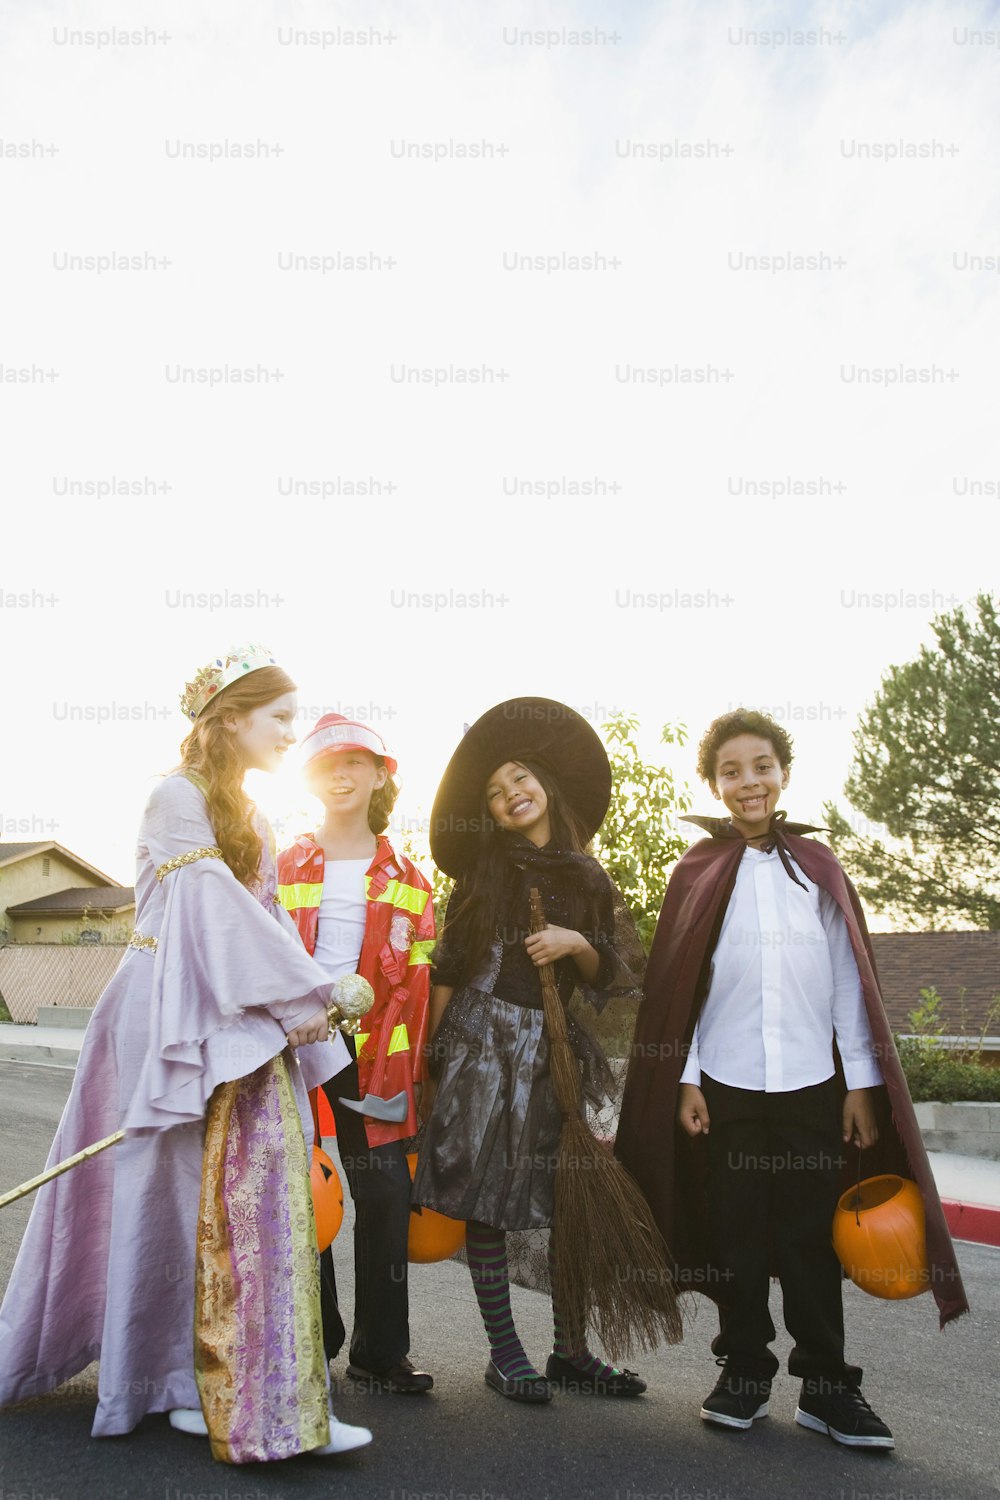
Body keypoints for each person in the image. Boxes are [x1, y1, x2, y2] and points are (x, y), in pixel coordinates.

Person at [0, 645, 372, 1462]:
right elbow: (204, 906)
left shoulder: (257, 818)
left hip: (226, 1005)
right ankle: (165, 1382)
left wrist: (305, 1000)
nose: (289, 732)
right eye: (278, 717)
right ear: (229, 718)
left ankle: (222, 1380)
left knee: (217, 1202)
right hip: (163, 1007)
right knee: (154, 1190)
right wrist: (302, 996)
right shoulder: (174, 796)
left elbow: (264, 920)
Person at [616, 707, 969, 1449]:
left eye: (761, 766)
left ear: (783, 773)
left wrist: (862, 1085)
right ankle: (743, 1370)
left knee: (812, 1237)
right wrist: (685, 1079)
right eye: (732, 771)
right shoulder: (697, 872)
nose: (749, 782)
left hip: (815, 1083)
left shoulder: (819, 867)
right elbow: (684, 992)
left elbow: (849, 984)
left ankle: (828, 1387)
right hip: (726, 1084)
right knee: (736, 1231)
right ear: (714, 784)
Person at [413, 697, 649, 1403]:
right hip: (481, 1046)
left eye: (518, 779)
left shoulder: (590, 878)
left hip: (552, 1055)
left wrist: (575, 944)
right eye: (493, 792)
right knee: (486, 1199)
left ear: (545, 783)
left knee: (566, 1196)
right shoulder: (484, 873)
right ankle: (505, 1351)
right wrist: (433, 1060)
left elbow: (613, 969)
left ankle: (572, 1351)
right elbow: (449, 966)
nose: (508, 794)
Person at [277, 713, 435, 1393]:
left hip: (376, 1056)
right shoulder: (283, 863)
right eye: (324, 767)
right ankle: (315, 1337)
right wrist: (297, 1013)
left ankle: (379, 1351)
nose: (339, 777)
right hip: (292, 1043)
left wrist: (413, 1065)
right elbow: (259, 953)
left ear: (379, 775)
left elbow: (420, 975)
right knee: (302, 1187)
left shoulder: (409, 874)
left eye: (354, 764)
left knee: (385, 1190)